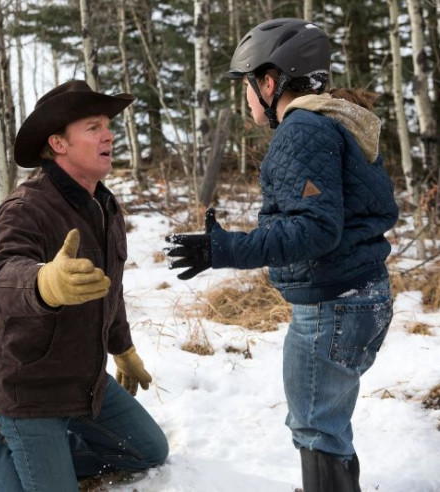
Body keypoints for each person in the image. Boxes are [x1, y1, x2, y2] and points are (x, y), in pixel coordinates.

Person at [165, 18, 398, 492]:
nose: (246, 97)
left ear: (269, 83)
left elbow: (316, 229)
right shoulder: (336, 123)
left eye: (246, 86)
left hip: (333, 306)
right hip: (360, 295)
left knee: (315, 426)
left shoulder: (303, 130)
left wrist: (225, 248)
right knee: (325, 421)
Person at [0, 80, 168, 492]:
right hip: (30, 388)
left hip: (84, 380)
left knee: (149, 451)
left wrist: (122, 348)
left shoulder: (103, 206)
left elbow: (109, 290)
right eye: (93, 127)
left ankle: (37, 463)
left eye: (107, 125)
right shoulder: (27, 207)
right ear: (58, 143)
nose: (108, 135)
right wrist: (43, 282)